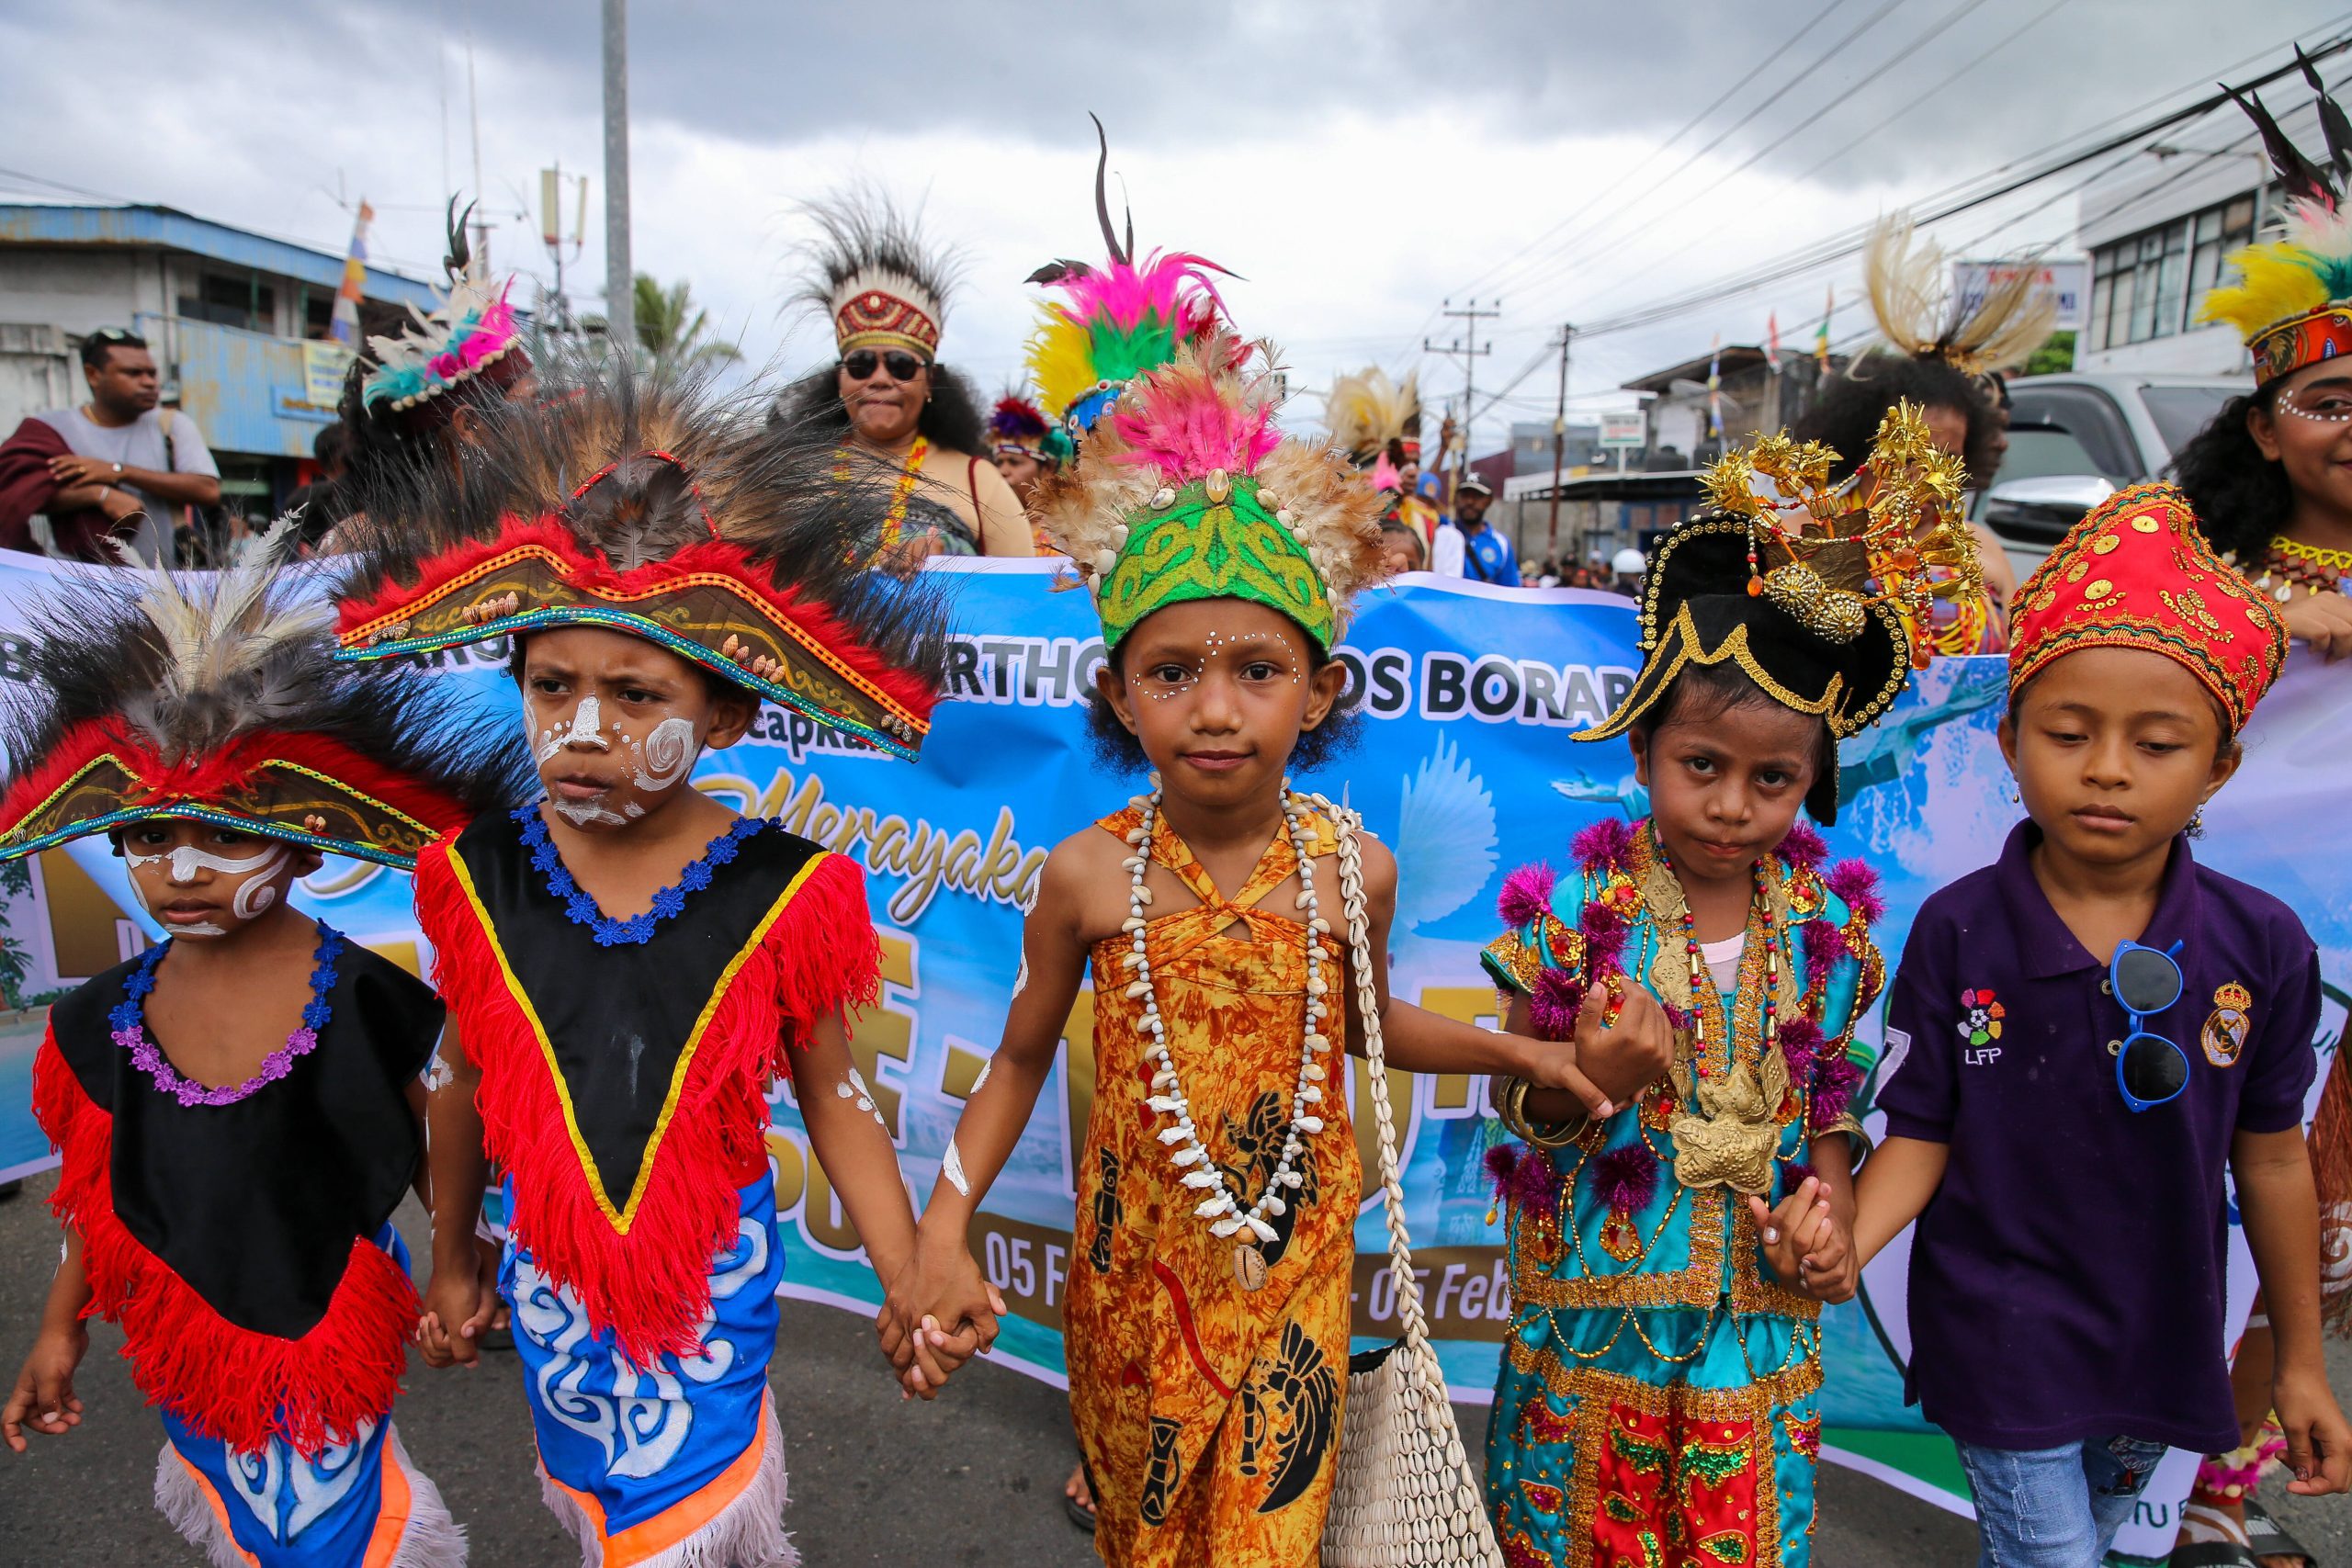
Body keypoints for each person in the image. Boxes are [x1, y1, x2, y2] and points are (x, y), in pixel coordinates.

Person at [877, 332, 1610, 1568]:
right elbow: (1014, 1062)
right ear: (1120, 693)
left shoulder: (1351, 869)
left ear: (1317, 692)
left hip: (1294, 1296)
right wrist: (942, 1226)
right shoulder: (1091, 873)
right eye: (1173, 671)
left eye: (1256, 670)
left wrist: (1509, 1052)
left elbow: (1373, 1027)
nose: (1215, 706)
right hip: (1126, 1300)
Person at [331, 361, 963, 1566]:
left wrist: (906, 1274)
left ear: (724, 716)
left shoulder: (789, 889)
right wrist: (453, 1253)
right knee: (594, 1514)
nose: (583, 726)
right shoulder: (471, 875)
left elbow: (834, 1095)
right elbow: (461, 1077)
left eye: (635, 694)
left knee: (681, 1530)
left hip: (705, 1294)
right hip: (551, 1285)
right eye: (552, 684)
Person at [1788, 485, 2352, 1567]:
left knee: (2091, 1547)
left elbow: (2274, 1161)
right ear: (2009, 739)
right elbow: (1920, 1134)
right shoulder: (1958, 929)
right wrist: (1841, 1251)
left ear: (2217, 768)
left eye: (2155, 743)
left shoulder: (2264, 943)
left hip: (2166, 1335)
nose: (2105, 768)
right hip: (2000, 1334)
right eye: (2068, 731)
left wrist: (2297, 1369)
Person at [1474, 405, 1973, 1566]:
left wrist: (1829, 1218)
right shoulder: (1571, 917)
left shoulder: (1836, 933)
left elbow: (1831, 1115)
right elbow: (1518, 1100)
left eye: (1773, 778)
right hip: (1600, 1320)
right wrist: (1584, 1076)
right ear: (1642, 751)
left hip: (1759, 1330)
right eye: (1701, 766)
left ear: (1812, 781)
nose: (1733, 805)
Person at [0, 529, 531, 1565]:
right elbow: (91, 1194)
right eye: (151, 838)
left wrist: (459, 1266)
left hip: (327, 1323)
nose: (182, 868)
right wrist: (62, 1324)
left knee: (331, 1534)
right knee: (251, 1536)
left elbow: (447, 1159)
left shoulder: (381, 1005)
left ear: (302, 838)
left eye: (225, 832)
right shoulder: (92, 1020)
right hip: (183, 1335)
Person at [1789, 215, 2054, 655]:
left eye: (1949, 459)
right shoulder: (1799, 536)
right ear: (1869, 449)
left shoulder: (1980, 547)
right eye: (1914, 457)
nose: (1933, 476)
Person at [775, 188, 1033, 562]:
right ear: (839, 380)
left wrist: (947, 570)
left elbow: (1024, 600)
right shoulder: (795, 476)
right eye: (862, 364)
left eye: (900, 366)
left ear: (930, 382)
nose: (879, 379)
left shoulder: (981, 482)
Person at [329, 203, 533, 553]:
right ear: (469, 425)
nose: (546, 419)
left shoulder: (527, 521)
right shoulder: (363, 547)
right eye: (531, 404)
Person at [0, 328, 220, 564]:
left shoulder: (171, 424)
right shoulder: (51, 428)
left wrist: (119, 470)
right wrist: (98, 495)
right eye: (133, 373)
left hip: (159, 583)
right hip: (72, 582)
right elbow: (20, 497)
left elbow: (208, 490)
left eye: (152, 373)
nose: (148, 383)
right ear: (93, 374)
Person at [1450, 476, 1518, 585]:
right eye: (1464, 495)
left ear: (1489, 501)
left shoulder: (1501, 543)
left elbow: (1510, 590)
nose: (1470, 501)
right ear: (1455, 499)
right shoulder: (1442, 534)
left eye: (1477, 496)